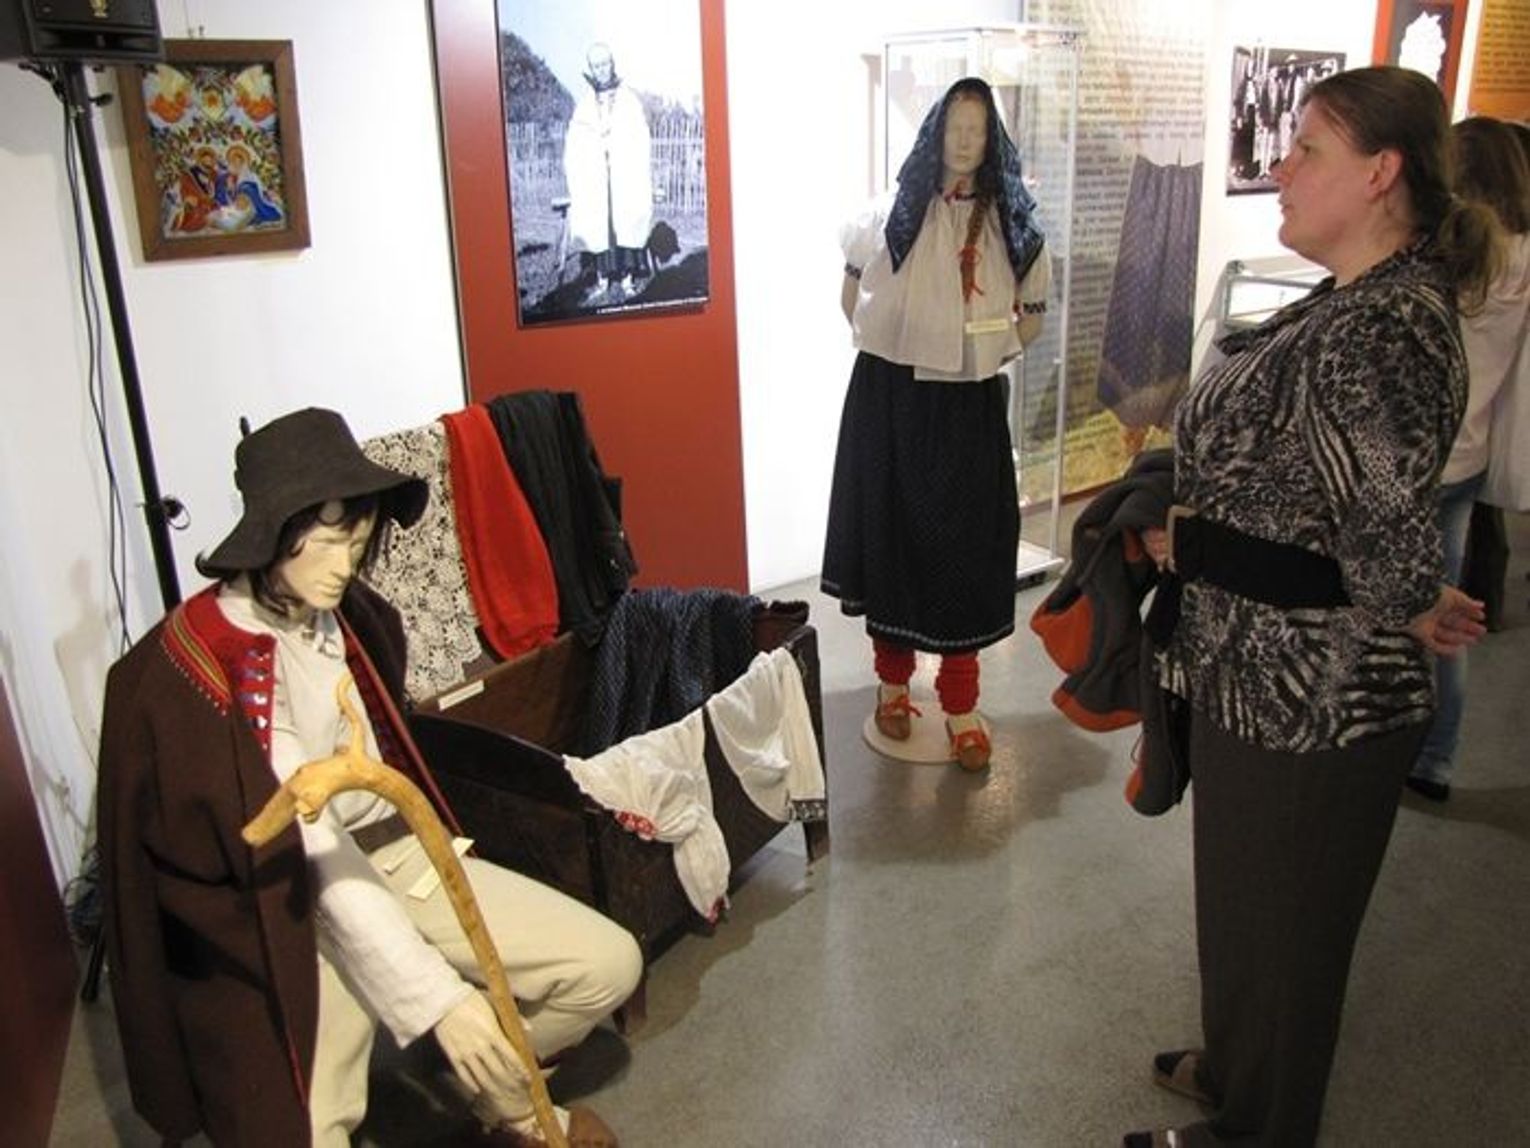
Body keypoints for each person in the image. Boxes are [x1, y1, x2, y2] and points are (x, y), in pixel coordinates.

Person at [98, 408, 640, 1148]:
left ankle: (498, 1097)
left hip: (392, 851)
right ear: (272, 532)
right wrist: (438, 1000)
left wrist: (455, 1012)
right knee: (304, 1131)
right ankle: (464, 1060)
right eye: (325, 541)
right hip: (286, 899)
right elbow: (309, 849)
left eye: (356, 541)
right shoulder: (216, 666)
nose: (343, 564)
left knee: (606, 966)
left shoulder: (345, 611)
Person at [1124, 67, 1492, 1147]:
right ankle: (1238, 1069)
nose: (1281, 170)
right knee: (1243, 906)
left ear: (1381, 173)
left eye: (1308, 150)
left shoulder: (1387, 330)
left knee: (1286, 933)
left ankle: (1261, 1124)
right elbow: (1322, 509)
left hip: (1318, 700)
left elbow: (1380, 549)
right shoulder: (1352, 301)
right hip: (1260, 674)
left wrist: (1195, 540)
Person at [820, 76, 1050, 771]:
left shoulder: (1012, 221)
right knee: (892, 536)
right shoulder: (889, 212)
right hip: (891, 397)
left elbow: (1033, 312)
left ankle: (961, 703)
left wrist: (988, 349)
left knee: (966, 547)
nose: (964, 141)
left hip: (967, 404)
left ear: (992, 139)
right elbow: (850, 292)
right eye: (955, 128)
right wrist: (895, 339)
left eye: (977, 130)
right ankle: (893, 686)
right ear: (934, 133)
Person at [1405, 116, 1530, 801]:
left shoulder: (1452, 260)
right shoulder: (1521, 260)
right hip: (1469, 455)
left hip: (1417, 461)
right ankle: (1437, 759)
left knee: (1397, 606)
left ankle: (1386, 744)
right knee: (1445, 614)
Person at [563, 42, 653, 302]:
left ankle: (627, 279)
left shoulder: (628, 100)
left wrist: (620, 150)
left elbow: (639, 137)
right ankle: (603, 279)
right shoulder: (584, 105)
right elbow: (577, 142)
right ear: (591, 69)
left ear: (612, 64)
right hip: (596, 175)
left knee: (627, 218)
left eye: (605, 64)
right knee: (599, 222)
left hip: (624, 173)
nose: (601, 70)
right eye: (596, 66)